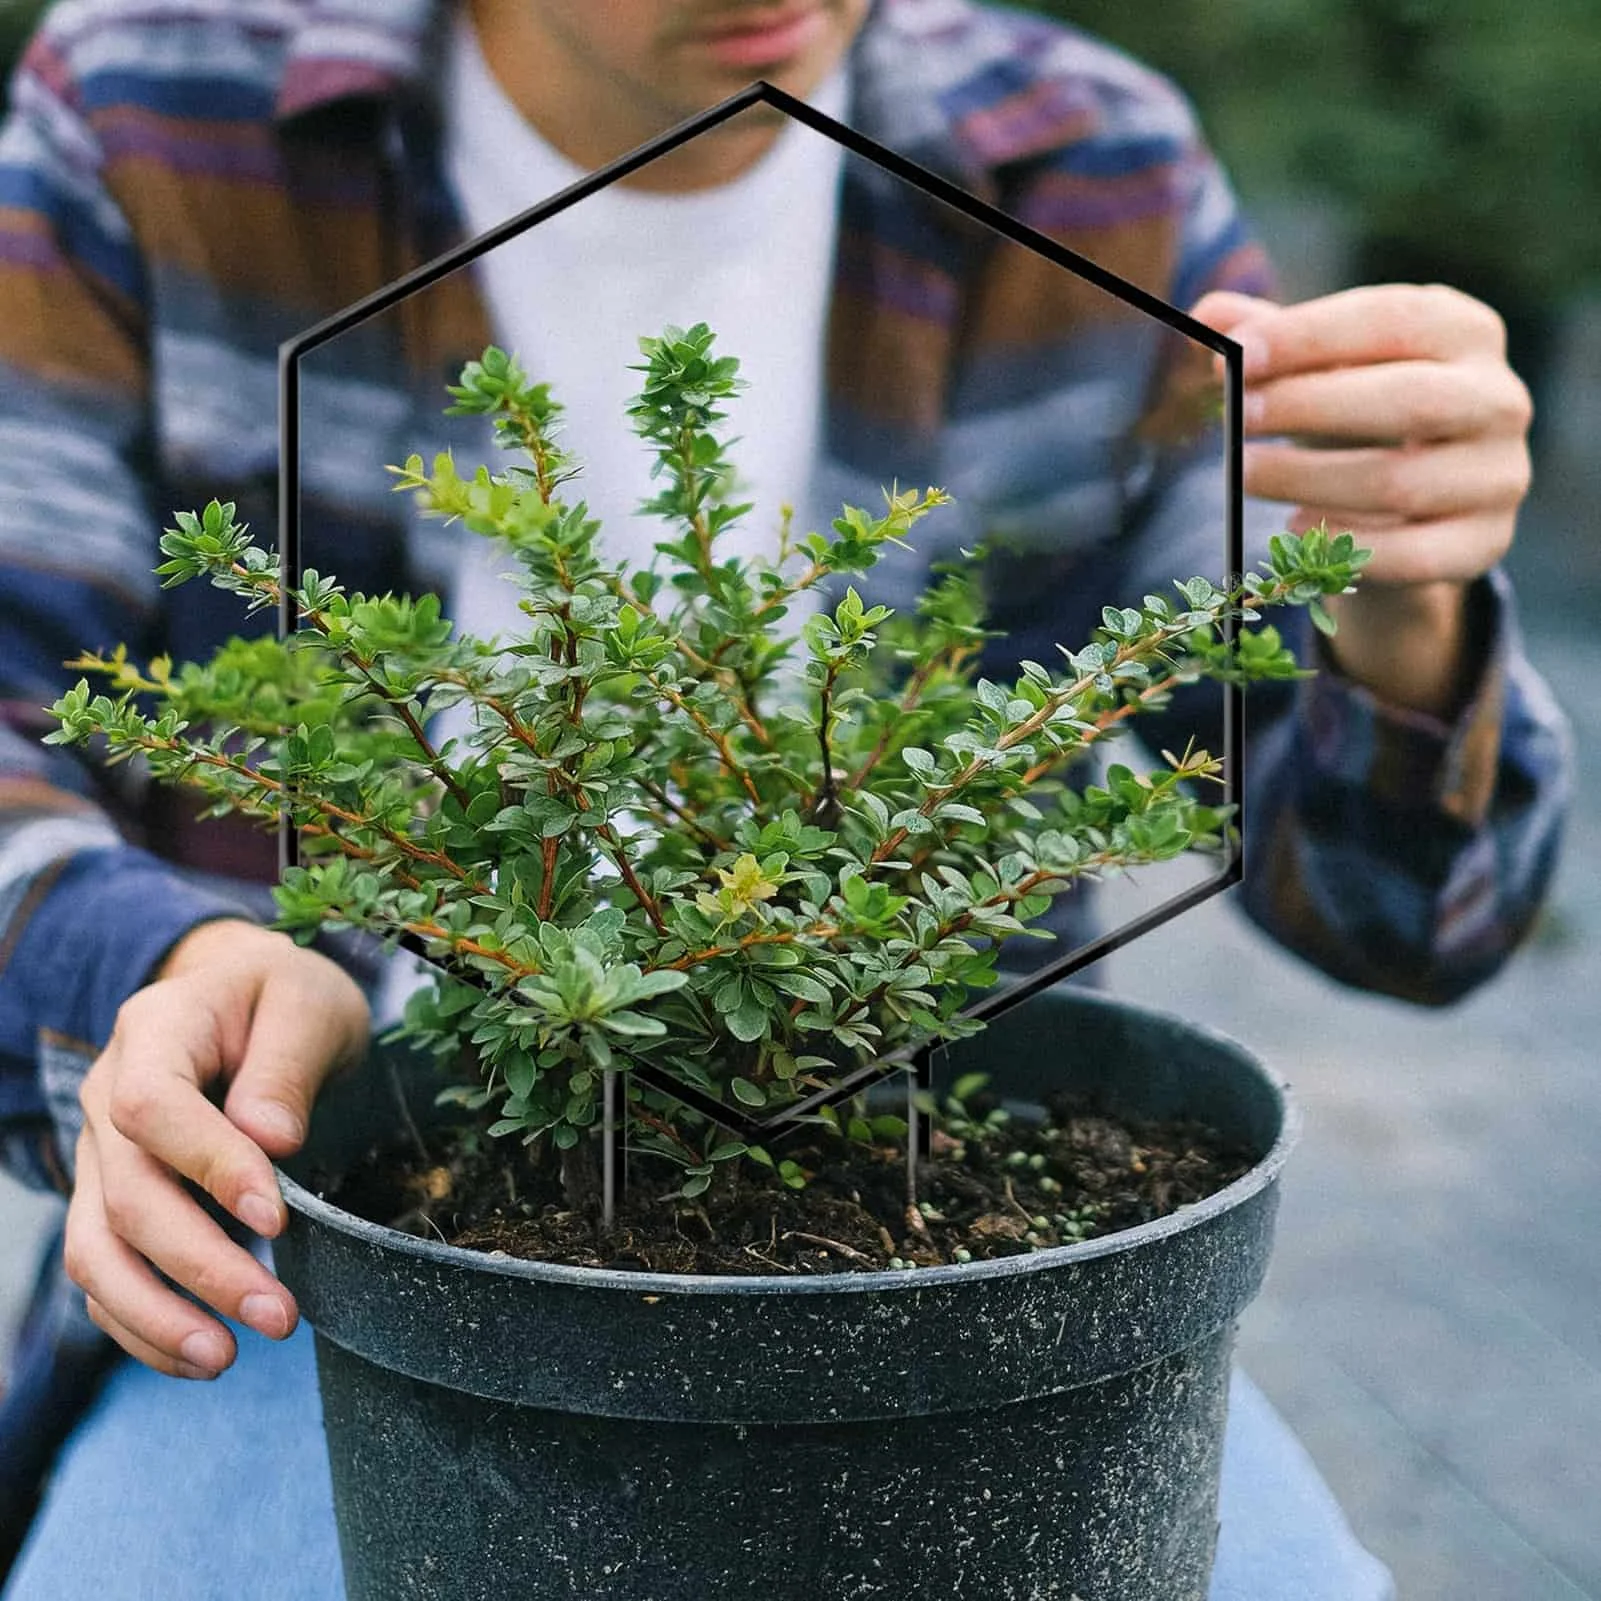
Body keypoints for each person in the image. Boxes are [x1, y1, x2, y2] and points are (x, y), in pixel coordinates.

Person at [0, 0, 1570, 1596]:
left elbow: (1413, 921)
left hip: (968, 1280)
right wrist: (172, 971)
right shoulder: (155, 117)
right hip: (309, 1265)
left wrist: (1403, 610)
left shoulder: (1080, 165)